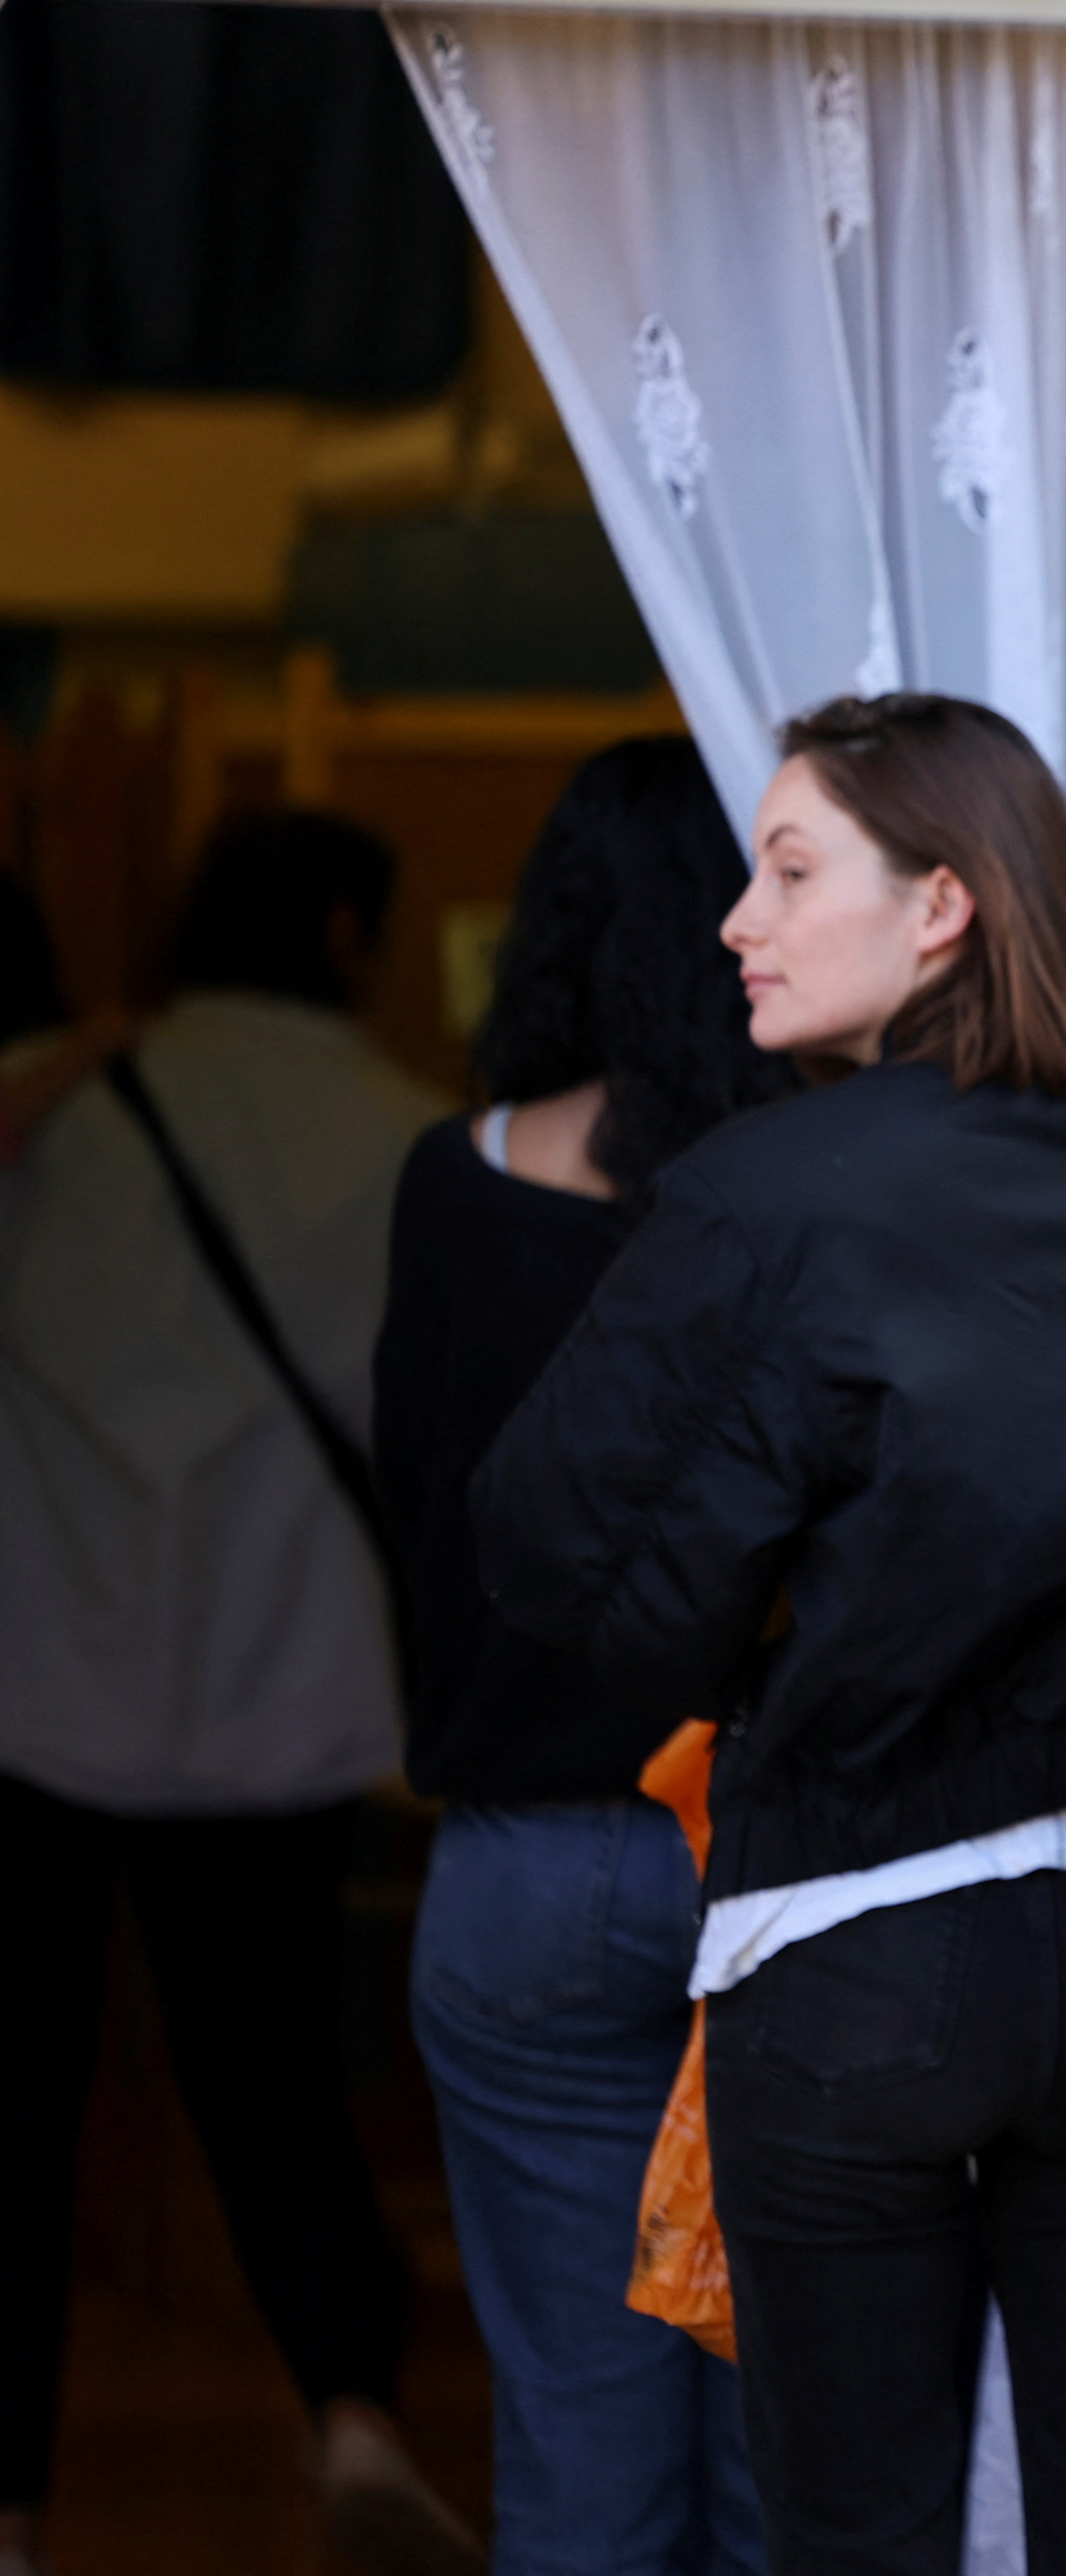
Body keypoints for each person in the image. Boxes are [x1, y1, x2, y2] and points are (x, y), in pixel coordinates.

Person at [471, 694, 1066, 2576]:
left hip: (846, 1945)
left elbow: (556, 1564)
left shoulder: (758, 1194)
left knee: (851, 2535)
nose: (740, 918)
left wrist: (754, 1604)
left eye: (791, 866)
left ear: (943, 907)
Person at [0, 812, 472, 2576]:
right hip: (278, 1690)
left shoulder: (54, 1106)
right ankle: (350, 2410)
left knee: (20, 2112)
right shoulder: (406, 1130)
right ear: (349, 928)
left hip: (31, 1683)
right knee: (279, 2081)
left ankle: (14, 2518)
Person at [373, 737, 791, 2576]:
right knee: (792, 2438)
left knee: (575, 2436)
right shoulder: (811, 1193)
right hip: (778, 1867)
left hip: (528, 1872)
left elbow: (421, 1519)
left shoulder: (454, 1181)